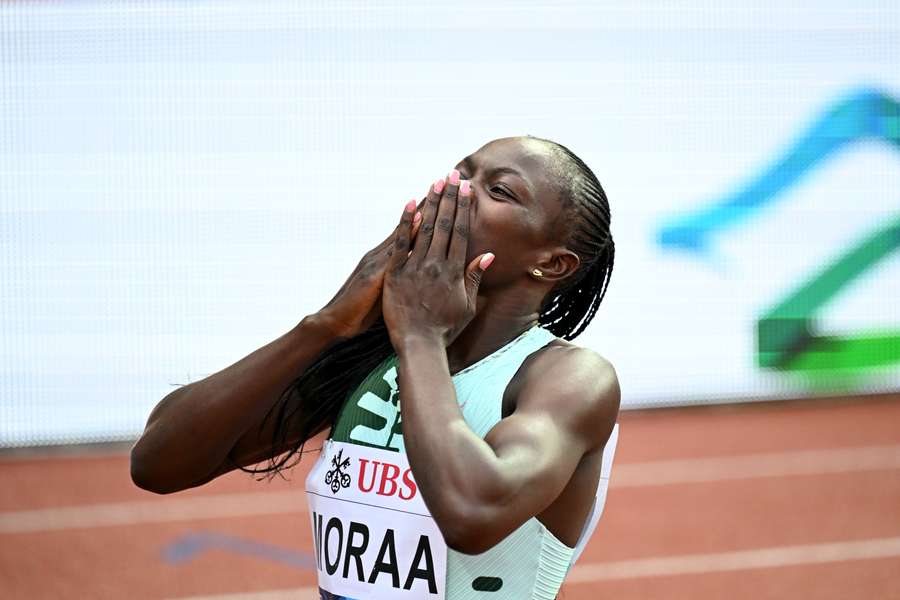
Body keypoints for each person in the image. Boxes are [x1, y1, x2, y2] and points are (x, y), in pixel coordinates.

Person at [131, 135, 620, 600]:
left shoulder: (569, 377)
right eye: (460, 172)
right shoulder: (377, 356)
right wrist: (323, 326)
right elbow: (157, 462)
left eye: (498, 191)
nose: (458, 190)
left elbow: (473, 512)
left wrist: (422, 335)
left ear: (552, 264)